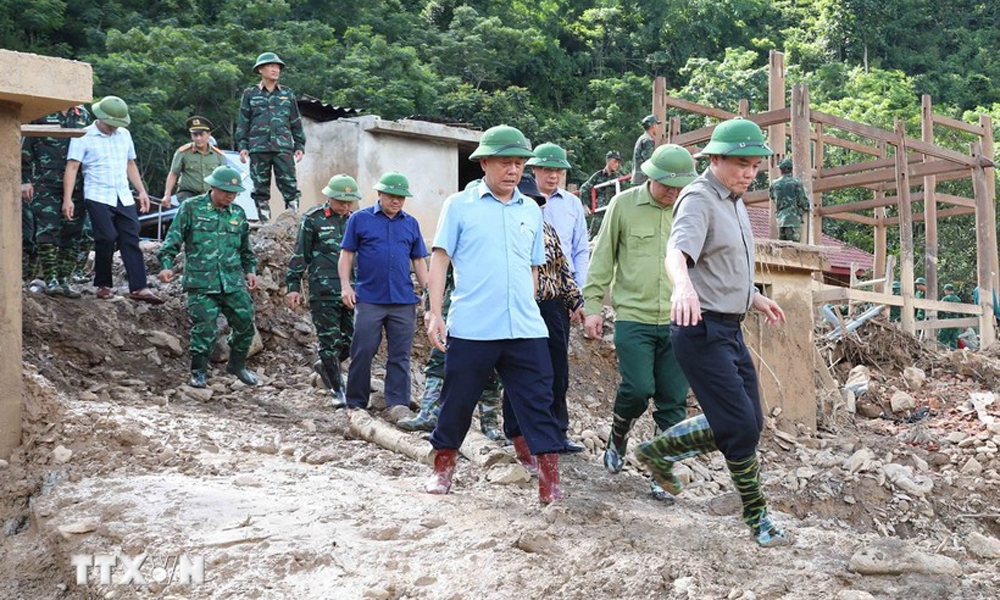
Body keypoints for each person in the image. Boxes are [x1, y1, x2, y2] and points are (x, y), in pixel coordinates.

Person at [635, 117, 792, 547]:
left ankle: (655, 452)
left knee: (751, 422)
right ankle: (758, 517)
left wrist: (754, 296)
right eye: (741, 163)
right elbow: (677, 253)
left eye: (756, 166)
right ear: (716, 159)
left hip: (730, 325)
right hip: (699, 327)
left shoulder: (736, 202)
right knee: (739, 427)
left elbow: (722, 263)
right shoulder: (699, 198)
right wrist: (682, 285)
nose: (750, 173)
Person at [424, 125, 566, 503]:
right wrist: (435, 313)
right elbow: (439, 260)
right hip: (473, 326)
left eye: (519, 163)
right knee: (458, 400)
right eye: (506, 162)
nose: (513, 170)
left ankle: (550, 481)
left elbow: (534, 267)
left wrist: (529, 305)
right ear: (484, 162)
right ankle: (443, 467)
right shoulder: (459, 206)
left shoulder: (531, 212)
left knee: (539, 400)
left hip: (525, 326)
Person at [583, 144, 697, 502]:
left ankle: (660, 472)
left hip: (681, 319)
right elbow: (603, 257)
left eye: (680, 187)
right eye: (668, 186)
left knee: (673, 400)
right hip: (634, 315)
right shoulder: (624, 205)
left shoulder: (691, 209)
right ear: (650, 176)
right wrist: (592, 306)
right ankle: (619, 433)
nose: (673, 193)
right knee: (636, 389)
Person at [157, 166, 259, 387]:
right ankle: (198, 372)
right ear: (213, 187)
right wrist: (166, 266)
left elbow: (245, 250)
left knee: (245, 324)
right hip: (201, 283)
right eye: (225, 192)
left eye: (234, 193)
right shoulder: (191, 208)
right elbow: (172, 241)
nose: (230, 196)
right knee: (204, 329)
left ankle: (237, 364)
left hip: (232, 282)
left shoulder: (238, 213)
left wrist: (250, 270)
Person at [338, 172, 429, 412]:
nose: (396, 201)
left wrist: (428, 290)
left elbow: (419, 260)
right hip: (369, 298)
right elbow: (346, 254)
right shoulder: (360, 219)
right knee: (363, 350)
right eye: (391, 196)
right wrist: (346, 286)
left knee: (400, 355)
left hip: (403, 300)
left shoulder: (411, 223)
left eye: (401, 197)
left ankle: (397, 403)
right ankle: (356, 403)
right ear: (380, 194)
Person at [63, 96, 163, 304]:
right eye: (110, 124)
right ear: (100, 117)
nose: (113, 128)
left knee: (130, 237)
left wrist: (142, 191)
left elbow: (130, 164)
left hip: (123, 195)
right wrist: (68, 199)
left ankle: (139, 287)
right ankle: (103, 284)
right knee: (106, 237)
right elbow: (72, 167)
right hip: (97, 194)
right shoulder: (83, 136)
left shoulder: (124, 135)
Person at [513, 175, 586, 453]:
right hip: (520, 306)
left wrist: (576, 301)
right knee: (523, 372)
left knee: (557, 371)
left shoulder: (547, 231)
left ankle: (558, 433)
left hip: (553, 307)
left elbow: (563, 269)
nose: (532, 205)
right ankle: (520, 434)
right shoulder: (504, 230)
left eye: (536, 201)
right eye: (527, 200)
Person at [397, 263, 504, 441]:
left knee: (491, 368)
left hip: (492, 313)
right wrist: (431, 310)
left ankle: (489, 425)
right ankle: (428, 413)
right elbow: (437, 275)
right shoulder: (459, 240)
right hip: (456, 312)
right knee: (439, 360)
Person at [286, 174, 360, 407]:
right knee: (329, 340)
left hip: (352, 290)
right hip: (324, 290)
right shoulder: (313, 219)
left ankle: (327, 364)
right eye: (340, 201)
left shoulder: (357, 220)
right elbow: (301, 254)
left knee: (353, 339)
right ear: (329, 197)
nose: (345, 206)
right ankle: (338, 390)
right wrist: (293, 286)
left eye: (349, 202)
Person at [21, 105, 91, 297]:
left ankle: (64, 280)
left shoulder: (82, 115)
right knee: (47, 229)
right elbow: (26, 145)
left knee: (73, 231)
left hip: (77, 184)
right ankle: (50, 279)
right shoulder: (42, 111)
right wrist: (25, 180)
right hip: (45, 182)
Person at [235, 52, 306, 222]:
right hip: (258, 148)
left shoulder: (287, 94)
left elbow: (295, 121)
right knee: (260, 188)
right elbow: (243, 122)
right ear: (260, 69)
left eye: (278, 67)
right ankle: (265, 222)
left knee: (289, 185)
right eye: (271, 66)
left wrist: (300, 145)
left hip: (283, 147)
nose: (275, 70)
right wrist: (243, 146)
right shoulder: (250, 94)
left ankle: (292, 221)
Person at [528, 143, 590, 289]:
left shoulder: (572, 203)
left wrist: (579, 289)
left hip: (563, 283)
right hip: (529, 280)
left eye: (559, 170)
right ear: (533, 169)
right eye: (548, 170)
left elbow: (580, 249)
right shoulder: (520, 200)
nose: (554, 176)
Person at [162, 116, 227, 208]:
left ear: (208, 135)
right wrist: (167, 195)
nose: (198, 138)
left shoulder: (218, 155)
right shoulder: (183, 152)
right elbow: (173, 174)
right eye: (195, 135)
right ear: (191, 136)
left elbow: (223, 178)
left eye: (201, 134)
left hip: (210, 194)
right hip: (188, 193)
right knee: (192, 211)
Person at [578, 150, 624, 238]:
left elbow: (623, 193)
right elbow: (584, 188)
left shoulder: (618, 178)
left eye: (618, 162)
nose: (617, 165)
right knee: (593, 236)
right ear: (607, 161)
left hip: (613, 211)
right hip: (600, 212)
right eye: (615, 161)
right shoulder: (598, 175)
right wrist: (585, 205)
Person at [769, 157, 810, 242]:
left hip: (781, 219)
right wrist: (807, 206)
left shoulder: (774, 183)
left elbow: (772, 197)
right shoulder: (796, 182)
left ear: (781, 170)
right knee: (793, 249)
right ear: (791, 170)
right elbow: (802, 200)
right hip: (793, 219)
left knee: (782, 248)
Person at [631, 115, 660, 186]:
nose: (658, 128)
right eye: (657, 125)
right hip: (643, 179)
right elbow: (648, 159)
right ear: (652, 126)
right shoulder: (648, 140)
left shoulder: (642, 138)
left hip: (638, 178)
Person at [938, 283, 962, 349]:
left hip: (947, 319)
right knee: (954, 339)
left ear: (946, 290)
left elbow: (940, 308)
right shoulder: (958, 299)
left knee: (943, 339)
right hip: (956, 320)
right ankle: (954, 353)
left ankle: (943, 353)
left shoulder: (945, 298)